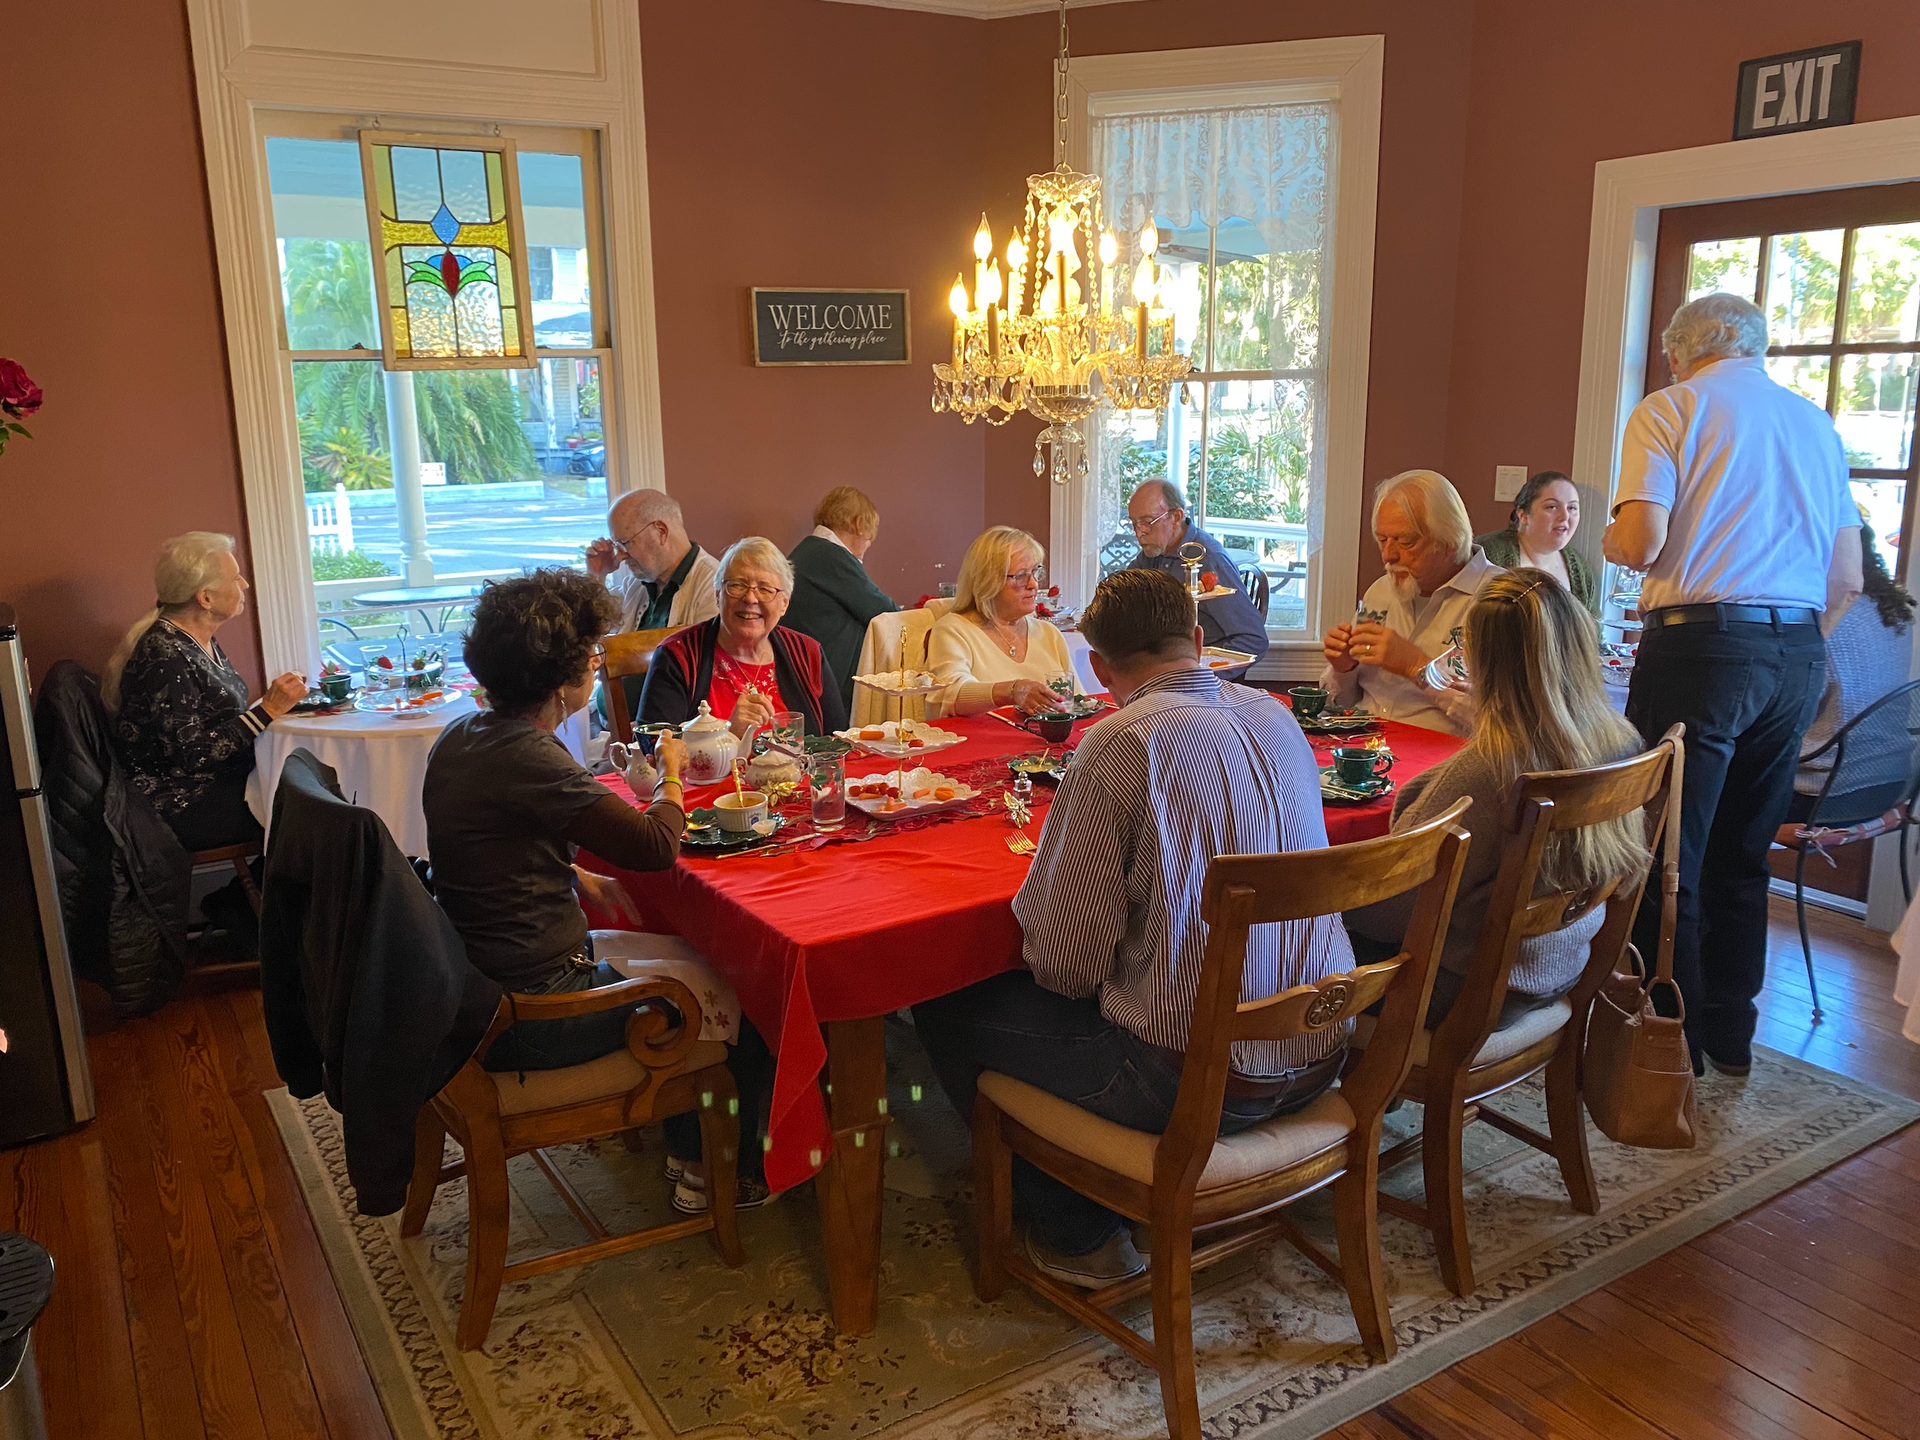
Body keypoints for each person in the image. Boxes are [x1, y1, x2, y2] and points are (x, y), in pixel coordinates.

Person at [914, 569, 1354, 1288]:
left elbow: (1066, 967)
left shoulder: (1120, 743)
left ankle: (1078, 1231)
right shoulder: (1277, 716)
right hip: (1322, 1050)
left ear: (1096, 665)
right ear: (1201, 639)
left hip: (1189, 1084)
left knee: (941, 1001)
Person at [423, 568, 773, 1211]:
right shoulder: (533, 758)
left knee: (695, 955)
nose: (594, 667)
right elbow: (656, 847)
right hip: (532, 1010)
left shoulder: (466, 735)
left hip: (484, 979)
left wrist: (573, 872)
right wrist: (672, 774)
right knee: (739, 989)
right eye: (589, 658)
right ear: (562, 683)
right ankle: (719, 1168)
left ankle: (686, 1146)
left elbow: (487, 846)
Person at [1604, 292, 1863, 1077]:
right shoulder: (1816, 425)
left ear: (1677, 351)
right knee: (1744, 854)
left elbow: (1642, 542)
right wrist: (1786, 648)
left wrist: (1614, 536)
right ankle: (1732, 1036)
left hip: (1701, 652)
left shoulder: (1670, 408)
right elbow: (1846, 577)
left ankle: (1661, 1037)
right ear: (1758, 348)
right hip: (1794, 655)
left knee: (1667, 846)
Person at [1345, 569, 1650, 1027]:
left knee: (1291, 947)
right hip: (1564, 965)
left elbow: (1390, 914)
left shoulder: (1488, 771)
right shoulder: (1622, 742)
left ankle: (1306, 1086)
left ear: (1482, 660)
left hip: (1464, 991)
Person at [104, 532, 307, 851]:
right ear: (206, 598)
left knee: (310, 791)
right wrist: (266, 711)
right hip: (183, 805)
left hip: (214, 786)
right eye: (235, 577)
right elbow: (191, 753)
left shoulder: (197, 639)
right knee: (312, 815)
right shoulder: (166, 656)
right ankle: (244, 899)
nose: (245, 585)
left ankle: (250, 897)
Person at [1321, 470, 1504, 735]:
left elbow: (1502, 725)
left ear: (1450, 541)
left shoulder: (1498, 603)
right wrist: (1343, 668)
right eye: (1382, 540)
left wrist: (1417, 667)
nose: (1388, 556)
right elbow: (1342, 703)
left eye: (1406, 541)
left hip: (1442, 760)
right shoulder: (1381, 592)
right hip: (1362, 745)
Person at [640, 537, 849, 739]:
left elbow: (837, 740)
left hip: (799, 775)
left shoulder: (807, 653)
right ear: (717, 594)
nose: (750, 598)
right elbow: (654, 748)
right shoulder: (678, 655)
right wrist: (729, 735)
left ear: (784, 603)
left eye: (765, 589)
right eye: (737, 585)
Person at [1792, 514, 1915, 820]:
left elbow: (1790, 709)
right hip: (1892, 781)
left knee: (1708, 782)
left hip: (1824, 789)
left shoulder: (1825, 620)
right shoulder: (1894, 613)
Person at [926, 527, 1077, 718]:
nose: (1034, 585)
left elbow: (1077, 702)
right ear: (988, 581)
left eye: (1035, 572)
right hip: (982, 745)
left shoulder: (1048, 633)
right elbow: (949, 695)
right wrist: (1012, 692)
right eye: (1021, 575)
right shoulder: (953, 630)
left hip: (1045, 745)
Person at [1124, 479, 1270, 669]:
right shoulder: (1154, 552)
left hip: (1192, 680)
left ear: (1176, 517)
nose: (1138, 533)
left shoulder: (1209, 559)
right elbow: (1123, 597)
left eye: (1146, 522)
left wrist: (1197, 676)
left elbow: (1253, 640)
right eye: (1134, 523)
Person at [783, 485, 900, 700]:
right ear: (859, 524)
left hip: (803, 674)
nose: (867, 548)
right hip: (827, 683)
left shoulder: (808, 550)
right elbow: (884, 612)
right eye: (869, 540)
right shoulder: (831, 556)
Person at [584, 489, 721, 634]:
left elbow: (704, 654)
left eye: (625, 543)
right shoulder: (637, 583)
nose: (620, 556)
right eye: (617, 546)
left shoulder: (714, 588)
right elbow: (598, 626)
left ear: (660, 532)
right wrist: (596, 576)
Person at [1473, 471, 1601, 618]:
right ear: (1523, 515)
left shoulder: (1579, 567)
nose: (1564, 516)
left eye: (1572, 508)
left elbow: (1593, 628)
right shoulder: (1486, 552)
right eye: (1552, 507)